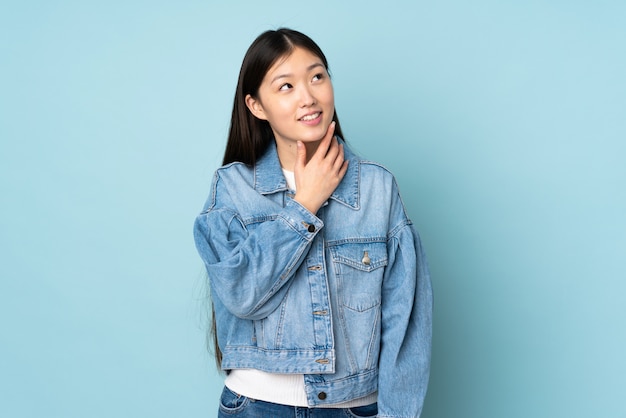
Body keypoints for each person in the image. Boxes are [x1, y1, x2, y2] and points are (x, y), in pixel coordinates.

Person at [193, 28, 433, 418]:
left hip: (352, 408)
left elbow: (405, 322)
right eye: (285, 86)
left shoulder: (376, 188)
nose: (308, 97)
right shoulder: (233, 189)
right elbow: (241, 295)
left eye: (317, 76)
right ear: (256, 106)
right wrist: (305, 205)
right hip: (255, 408)